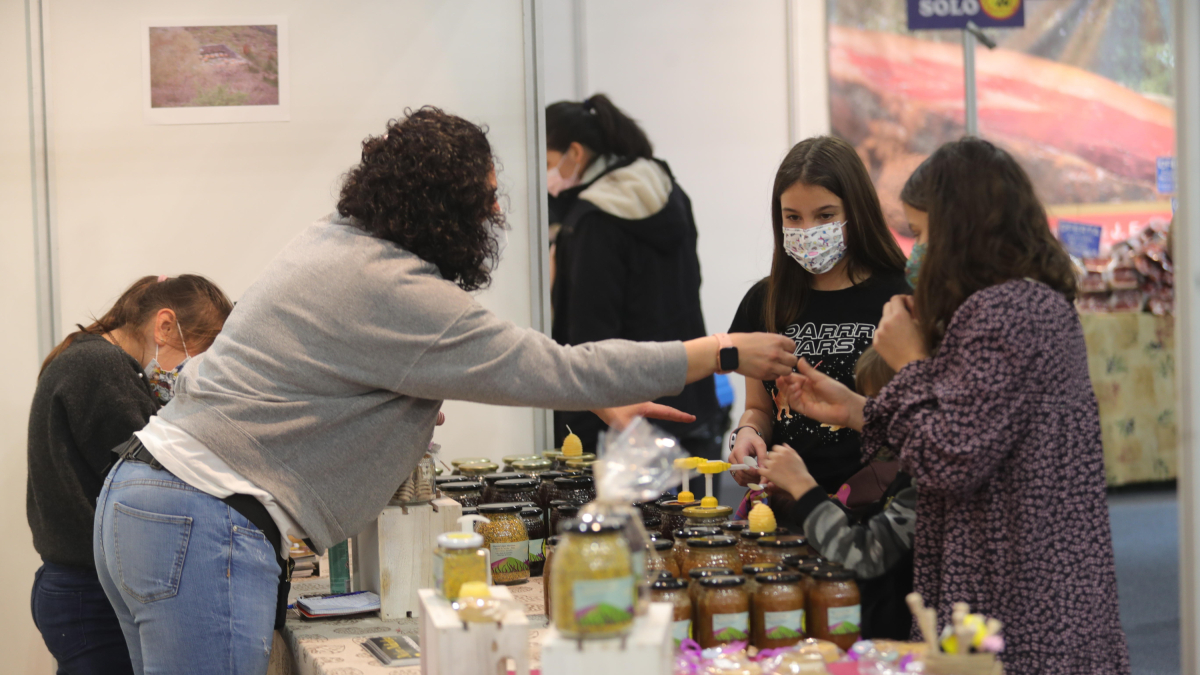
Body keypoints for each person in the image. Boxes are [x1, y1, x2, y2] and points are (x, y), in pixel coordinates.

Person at [92, 107, 800, 675]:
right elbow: (556, 368)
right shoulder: (392, 288)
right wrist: (721, 351)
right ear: (446, 208)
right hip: (203, 519)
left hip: (147, 501)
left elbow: (479, 363)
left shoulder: (337, 243)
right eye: (486, 198)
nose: (496, 213)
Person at [783, 137, 1130, 674]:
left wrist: (908, 361)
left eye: (922, 233)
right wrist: (856, 410)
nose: (916, 250)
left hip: (1017, 596)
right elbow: (968, 424)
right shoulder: (1025, 303)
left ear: (962, 230)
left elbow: (951, 458)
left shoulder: (1002, 313)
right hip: (1033, 581)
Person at [27, 275, 232, 674]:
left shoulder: (92, 360)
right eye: (199, 356)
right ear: (165, 326)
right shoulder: (100, 367)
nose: (195, 374)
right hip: (89, 594)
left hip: (79, 589)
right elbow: (156, 483)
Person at [545, 94, 723, 481]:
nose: (546, 178)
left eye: (546, 163)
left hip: (626, 422)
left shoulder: (593, 221)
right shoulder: (671, 193)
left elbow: (590, 342)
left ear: (575, 153)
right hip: (692, 398)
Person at [728, 136, 910, 495]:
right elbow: (759, 408)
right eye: (793, 217)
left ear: (856, 212)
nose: (808, 231)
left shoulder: (901, 298)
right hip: (782, 506)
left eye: (825, 216)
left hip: (876, 510)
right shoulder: (764, 301)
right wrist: (748, 433)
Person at [761, 347, 914, 640]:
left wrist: (805, 489)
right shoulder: (907, 471)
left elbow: (862, 554)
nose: (870, 418)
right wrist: (797, 496)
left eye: (876, 404)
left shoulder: (921, 481)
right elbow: (871, 530)